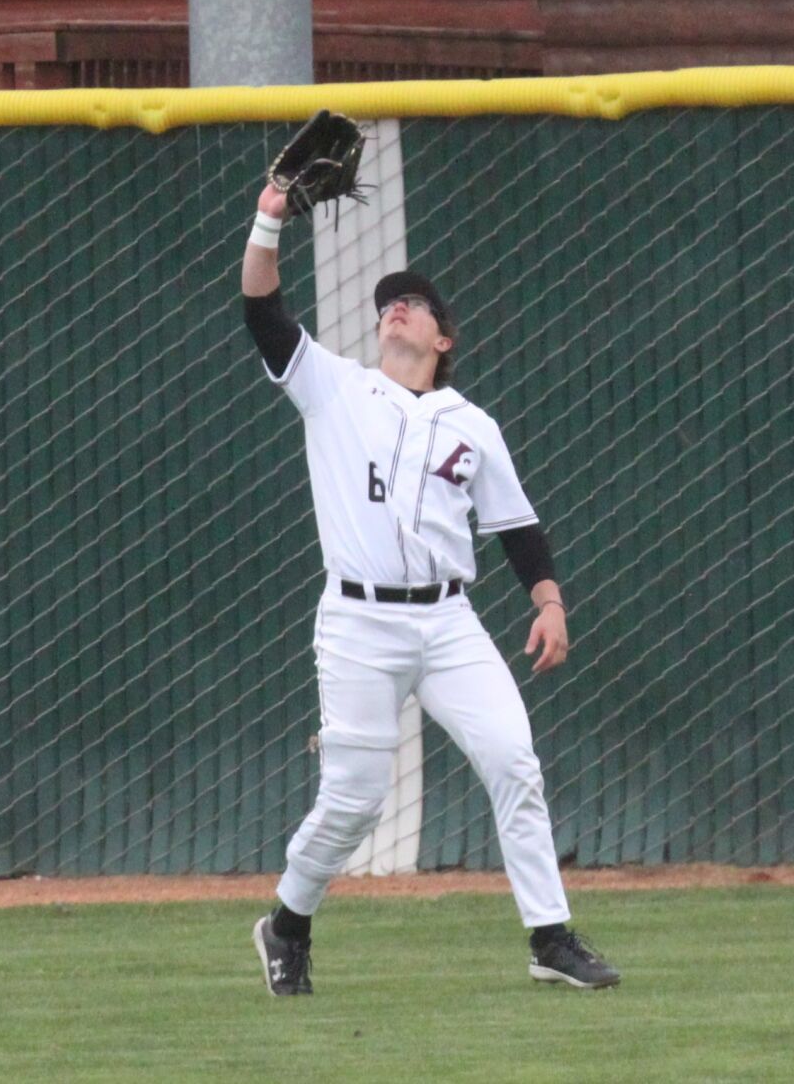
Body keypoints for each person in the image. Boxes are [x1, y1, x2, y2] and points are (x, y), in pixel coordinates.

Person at [240, 179, 621, 995]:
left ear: (443, 338)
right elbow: (263, 316)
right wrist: (269, 217)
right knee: (354, 802)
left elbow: (516, 528)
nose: (394, 309)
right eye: (387, 303)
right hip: (357, 621)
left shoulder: (471, 424)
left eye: (412, 303)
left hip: (449, 623)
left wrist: (548, 601)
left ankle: (549, 938)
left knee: (513, 761)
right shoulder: (336, 388)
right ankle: (287, 923)